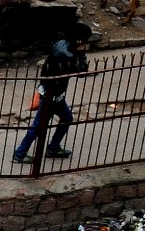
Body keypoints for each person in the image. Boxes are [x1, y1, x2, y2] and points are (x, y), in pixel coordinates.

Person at [12, 25, 91, 164]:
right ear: (79, 39)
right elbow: (77, 69)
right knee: (38, 125)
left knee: (66, 118)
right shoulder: (65, 51)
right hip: (50, 95)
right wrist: (80, 56)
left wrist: (82, 55)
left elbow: (79, 72)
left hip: (56, 93)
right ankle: (20, 153)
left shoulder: (67, 45)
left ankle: (53, 148)